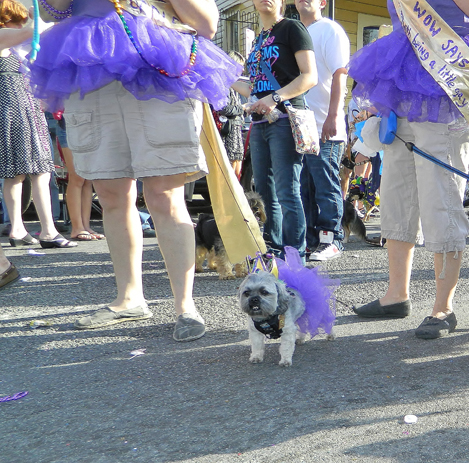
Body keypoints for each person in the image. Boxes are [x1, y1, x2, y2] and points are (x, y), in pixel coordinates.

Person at [29, 0, 240, 340]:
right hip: (89, 65)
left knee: (164, 194)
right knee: (111, 195)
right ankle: (129, 298)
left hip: (155, 65)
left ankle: (185, 306)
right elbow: (53, 12)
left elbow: (207, 22)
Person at [349, 0, 469, 339]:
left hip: (450, 87)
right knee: (397, 193)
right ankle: (396, 294)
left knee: (441, 197)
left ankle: (443, 306)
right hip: (404, 85)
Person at [232, 0, 317, 259]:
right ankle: (276, 251)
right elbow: (254, 88)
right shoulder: (259, 40)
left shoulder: (292, 28)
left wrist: (274, 98)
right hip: (259, 123)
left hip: (284, 118)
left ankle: (296, 256)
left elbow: (309, 76)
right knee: (265, 192)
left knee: (287, 190)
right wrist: (222, 75)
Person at [0, 0, 76, 249]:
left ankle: (19, 229)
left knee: (18, 173)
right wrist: (35, 13)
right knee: (38, 170)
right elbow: (35, 31)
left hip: (20, 107)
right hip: (16, 107)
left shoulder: (11, 42)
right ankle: (47, 230)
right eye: (16, 19)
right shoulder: (3, 36)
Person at [296, 0, 349, 262]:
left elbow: (340, 74)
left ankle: (332, 239)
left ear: (323, 3)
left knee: (325, 185)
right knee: (304, 188)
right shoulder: (294, 30)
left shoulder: (330, 30)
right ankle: (311, 241)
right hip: (301, 127)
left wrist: (333, 116)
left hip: (326, 127)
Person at [218, 51, 246, 180]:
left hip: (236, 129)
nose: (243, 70)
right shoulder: (224, 84)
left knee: (237, 164)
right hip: (228, 130)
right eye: (240, 66)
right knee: (230, 168)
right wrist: (242, 109)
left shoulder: (234, 84)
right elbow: (222, 108)